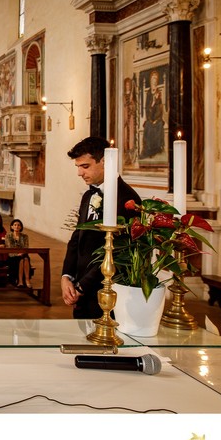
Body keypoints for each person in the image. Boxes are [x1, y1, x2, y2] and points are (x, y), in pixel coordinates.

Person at [62, 136, 141, 319]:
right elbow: (77, 238)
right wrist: (67, 276)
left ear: (104, 161)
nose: (80, 173)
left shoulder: (128, 200)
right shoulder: (88, 196)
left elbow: (119, 252)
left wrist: (83, 286)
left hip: (106, 291)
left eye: (85, 166)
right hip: (80, 290)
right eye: (78, 167)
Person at [5, 218, 31, 289]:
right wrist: (17, 253)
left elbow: (26, 247)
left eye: (18, 225)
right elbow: (9, 247)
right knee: (22, 259)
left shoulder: (25, 236)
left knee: (25, 259)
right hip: (12, 256)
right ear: (12, 227)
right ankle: (20, 281)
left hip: (23, 254)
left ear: (21, 227)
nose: (17, 226)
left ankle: (26, 279)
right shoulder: (8, 236)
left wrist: (21, 253)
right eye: (15, 225)